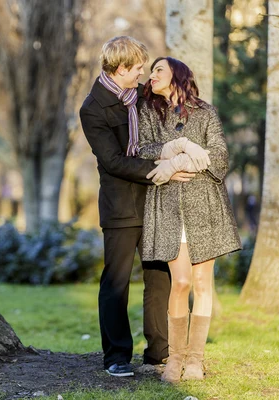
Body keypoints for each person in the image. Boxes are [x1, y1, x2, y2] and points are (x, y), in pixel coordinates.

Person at [79, 37, 195, 377]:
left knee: (159, 276)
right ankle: (116, 356)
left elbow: (177, 102)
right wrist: (162, 172)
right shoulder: (93, 109)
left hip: (156, 202)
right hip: (120, 206)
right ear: (120, 69)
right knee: (116, 281)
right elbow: (113, 161)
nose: (143, 73)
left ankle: (158, 351)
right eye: (138, 68)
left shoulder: (143, 96)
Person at [137, 56, 242, 383]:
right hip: (168, 208)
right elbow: (142, 149)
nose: (151, 75)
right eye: (151, 71)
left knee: (201, 284)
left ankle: (195, 360)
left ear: (177, 76)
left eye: (158, 70)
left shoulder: (206, 113)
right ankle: (175, 359)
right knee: (180, 283)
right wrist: (173, 156)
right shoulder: (149, 112)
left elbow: (220, 158)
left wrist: (179, 160)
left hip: (204, 208)